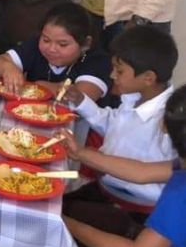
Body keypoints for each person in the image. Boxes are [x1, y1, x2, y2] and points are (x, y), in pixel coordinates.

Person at [63, 86, 186, 247]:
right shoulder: (182, 167)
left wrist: (65, 225)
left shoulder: (181, 194)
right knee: (76, 215)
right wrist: (80, 153)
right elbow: (141, 172)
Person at [62, 25, 178, 210]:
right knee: (50, 203)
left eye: (120, 71)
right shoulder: (135, 98)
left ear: (148, 77)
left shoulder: (169, 122)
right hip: (106, 189)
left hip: (135, 206)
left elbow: (146, 172)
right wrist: (82, 101)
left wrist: (82, 153)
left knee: (57, 218)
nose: (112, 75)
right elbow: (112, 124)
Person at [0, 3, 110, 101]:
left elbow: (81, 96)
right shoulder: (35, 46)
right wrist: (8, 67)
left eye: (62, 44)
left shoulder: (96, 60)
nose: (51, 49)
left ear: (85, 44)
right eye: (46, 40)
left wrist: (39, 85)